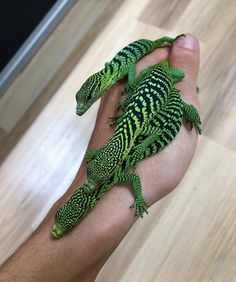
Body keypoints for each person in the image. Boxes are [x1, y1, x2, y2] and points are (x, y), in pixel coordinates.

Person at [0, 34, 200, 281]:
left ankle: (93, 238)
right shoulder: (118, 163)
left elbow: (114, 166)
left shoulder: (119, 158)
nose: (90, 182)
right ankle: (96, 234)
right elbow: (125, 175)